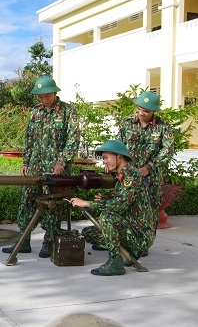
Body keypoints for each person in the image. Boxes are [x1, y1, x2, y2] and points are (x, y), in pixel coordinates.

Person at [2, 76, 80, 258]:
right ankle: (24, 240)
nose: (44, 100)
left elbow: (73, 139)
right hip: (35, 166)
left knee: (52, 205)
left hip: (56, 168)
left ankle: (49, 241)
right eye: (40, 97)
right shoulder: (36, 112)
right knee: (26, 202)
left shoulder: (68, 112)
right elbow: (29, 138)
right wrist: (25, 162)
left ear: (55, 93)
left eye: (47, 96)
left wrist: (62, 161)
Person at [70, 139, 155, 276]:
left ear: (118, 156)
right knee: (88, 232)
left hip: (140, 234)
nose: (104, 161)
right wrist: (106, 200)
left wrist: (86, 203)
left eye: (106, 157)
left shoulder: (131, 176)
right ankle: (130, 250)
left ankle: (115, 262)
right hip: (130, 228)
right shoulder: (122, 176)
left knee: (106, 217)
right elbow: (125, 203)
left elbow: (119, 205)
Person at [117, 91, 174, 239]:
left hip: (152, 177)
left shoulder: (163, 127)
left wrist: (148, 167)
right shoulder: (126, 123)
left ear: (154, 111)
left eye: (146, 111)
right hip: (128, 174)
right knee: (125, 207)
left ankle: (144, 243)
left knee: (149, 210)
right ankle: (123, 240)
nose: (142, 113)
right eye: (139, 108)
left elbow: (167, 150)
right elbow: (118, 146)